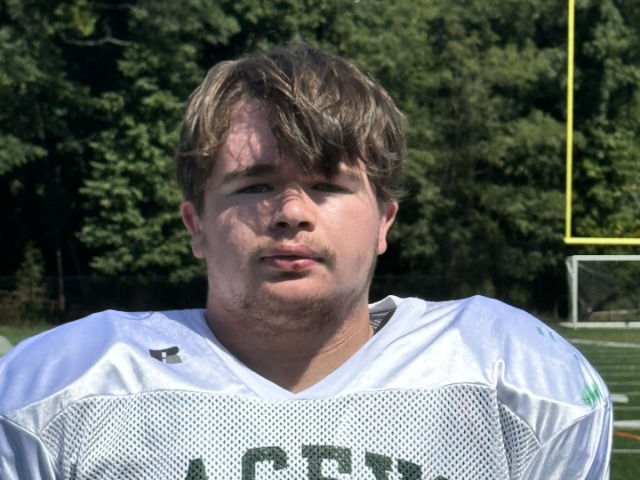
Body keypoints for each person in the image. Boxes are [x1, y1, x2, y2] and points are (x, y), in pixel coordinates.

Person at [0, 43, 611, 479]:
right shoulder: (60, 390)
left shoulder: (513, 380)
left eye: (326, 185)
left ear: (384, 221)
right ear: (196, 225)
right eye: (255, 185)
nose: (292, 212)